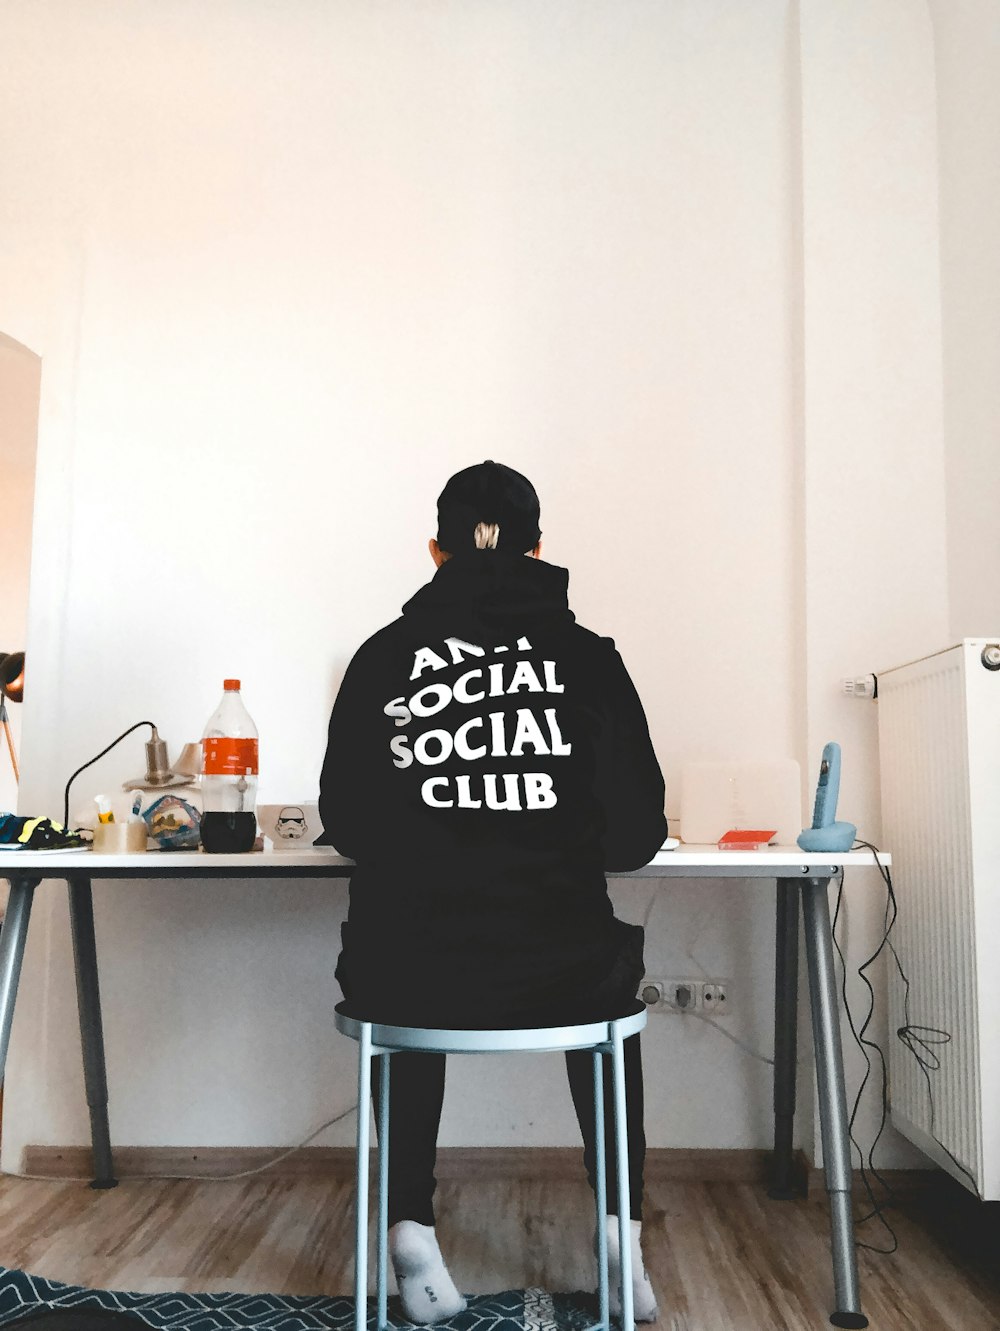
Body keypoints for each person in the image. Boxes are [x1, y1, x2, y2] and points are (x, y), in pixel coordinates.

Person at [319, 461, 667, 1324]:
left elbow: (349, 823)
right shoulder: (590, 660)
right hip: (562, 975)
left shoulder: (379, 658)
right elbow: (637, 836)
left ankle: (409, 1222)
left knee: (402, 951)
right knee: (608, 979)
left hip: (411, 973)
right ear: (540, 547)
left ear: (434, 549)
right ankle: (621, 1228)